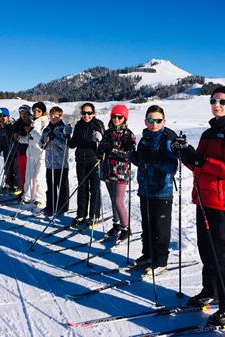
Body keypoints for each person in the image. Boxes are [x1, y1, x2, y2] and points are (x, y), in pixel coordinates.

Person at [173, 86, 225, 326]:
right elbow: (198, 166)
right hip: (203, 197)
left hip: (221, 201)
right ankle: (211, 290)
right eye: (213, 100)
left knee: (221, 252)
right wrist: (185, 155)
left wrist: (201, 160)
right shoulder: (207, 133)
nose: (217, 104)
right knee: (206, 248)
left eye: (223, 102)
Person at [130, 105, 178, 276]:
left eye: (158, 120)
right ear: (145, 121)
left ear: (163, 121)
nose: (154, 124)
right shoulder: (144, 138)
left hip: (161, 190)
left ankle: (161, 261)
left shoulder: (168, 139)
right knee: (147, 225)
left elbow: (172, 167)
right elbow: (142, 162)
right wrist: (135, 157)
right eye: (150, 120)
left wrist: (155, 159)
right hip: (145, 188)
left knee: (160, 228)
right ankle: (148, 255)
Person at [98, 104, 136, 242]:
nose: (116, 119)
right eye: (114, 116)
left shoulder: (128, 134)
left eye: (119, 117)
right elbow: (103, 147)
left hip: (121, 171)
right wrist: (100, 150)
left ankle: (126, 228)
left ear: (124, 118)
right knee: (113, 199)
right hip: (108, 169)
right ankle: (116, 225)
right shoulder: (108, 133)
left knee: (118, 201)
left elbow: (129, 154)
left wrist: (112, 150)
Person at [67, 102, 105, 227]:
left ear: (93, 113)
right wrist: (67, 135)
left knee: (94, 189)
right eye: (84, 113)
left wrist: (100, 139)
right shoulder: (79, 125)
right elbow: (72, 144)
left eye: (89, 113)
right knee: (82, 189)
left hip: (94, 161)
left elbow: (104, 144)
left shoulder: (98, 125)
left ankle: (94, 215)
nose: (86, 115)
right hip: (81, 161)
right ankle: (81, 214)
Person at [40, 106, 70, 216]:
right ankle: (50, 206)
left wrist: (55, 139)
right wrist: (45, 140)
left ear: (60, 116)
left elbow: (66, 145)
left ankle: (63, 207)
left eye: (55, 116)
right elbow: (41, 144)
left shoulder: (64, 128)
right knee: (50, 186)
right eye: (51, 116)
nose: (53, 118)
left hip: (61, 163)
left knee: (62, 187)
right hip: (49, 163)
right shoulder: (47, 129)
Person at [23, 102, 49, 211]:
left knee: (39, 178)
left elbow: (42, 140)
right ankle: (28, 196)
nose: (36, 113)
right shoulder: (32, 121)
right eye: (34, 111)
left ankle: (40, 199)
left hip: (40, 154)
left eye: (38, 111)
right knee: (28, 176)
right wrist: (20, 138)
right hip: (31, 153)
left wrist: (32, 131)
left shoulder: (45, 122)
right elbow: (30, 139)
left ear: (42, 112)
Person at [0, 107, 20, 194]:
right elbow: (0, 138)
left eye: (4, 116)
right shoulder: (0, 126)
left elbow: (13, 136)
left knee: (15, 169)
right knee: (7, 168)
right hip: (6, 150)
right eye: (0, 116)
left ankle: (17, 186)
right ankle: (8, 184)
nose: (2, 118)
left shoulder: (12, 125)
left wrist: (5, 128)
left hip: (14, 150)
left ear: (8, 116)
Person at [13, 104, 32, 195]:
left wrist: (20, 135)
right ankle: (23, 189)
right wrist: (15, 134)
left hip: (29, 151)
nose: (23, 115)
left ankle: (28, 192)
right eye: (21, 113)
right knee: (21, 171)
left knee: (28, 173)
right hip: (20, 150)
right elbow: (13, 132)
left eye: (25, 113)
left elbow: (29, 135)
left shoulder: (30, 122)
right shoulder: (18, 122)